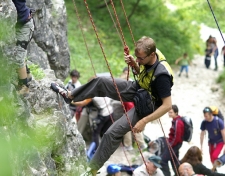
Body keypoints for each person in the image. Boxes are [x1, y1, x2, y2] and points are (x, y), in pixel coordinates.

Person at [50, 36, 174, 175]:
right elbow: (143, 73)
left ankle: (92, 169)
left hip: (147, 106)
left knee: (112, 133)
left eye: (140, 58)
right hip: (138, 89)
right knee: (101, 81)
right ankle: (70, 96)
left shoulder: (162, 76)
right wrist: (135, 65)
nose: (138, 60)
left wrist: (144, 121)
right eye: (136, 57)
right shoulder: (150, 54)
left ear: (151, 55)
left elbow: (167, 105)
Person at [120, 67, 147, 151]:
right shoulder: (132, 83)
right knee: (135, 126)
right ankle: (141, 144)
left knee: (127, 127)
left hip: (130, 109)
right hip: (135, 107)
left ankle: (129, 145)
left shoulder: (125, 86)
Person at [12, 0, 35, 95]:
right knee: (20, 53)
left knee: (18, 58)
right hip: (22, 25)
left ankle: (24, 87)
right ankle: (27, 76)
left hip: (25, 27)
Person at [160, 104, 184, 176]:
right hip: (175, 144)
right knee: (175, 162)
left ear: (176, 112)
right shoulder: (176, 120)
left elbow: (176, 137)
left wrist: (170, 145)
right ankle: (178, 174)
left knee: (163, 161)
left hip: (174, 145)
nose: (169, 114)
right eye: (168, 112)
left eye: (171, 112)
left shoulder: (178, 122)